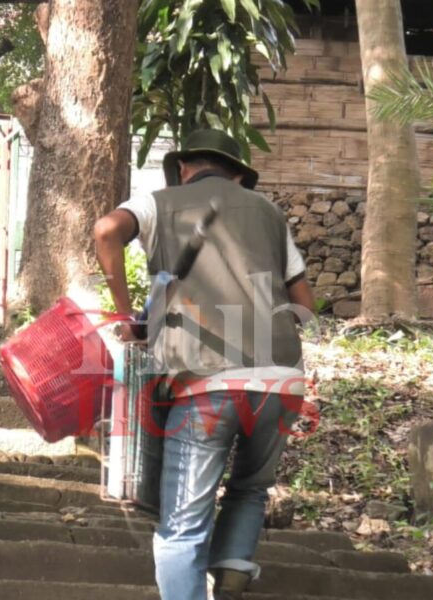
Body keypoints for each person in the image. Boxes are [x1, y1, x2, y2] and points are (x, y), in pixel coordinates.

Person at [93, 129, 315, 600]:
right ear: (238, 175)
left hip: (207, 383)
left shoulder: (159, 202)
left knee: (183, 525)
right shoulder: (271, 214)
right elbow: (304, 303)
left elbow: (105, 230)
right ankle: (233, 568)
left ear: (185, 167)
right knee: (251, 488)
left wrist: (128, 313)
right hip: (282, 380)